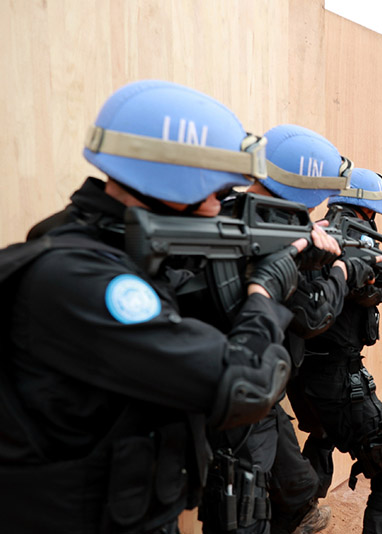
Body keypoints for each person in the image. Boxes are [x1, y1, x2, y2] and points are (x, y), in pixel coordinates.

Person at [0, 80, 303, 533]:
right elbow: (247, 384)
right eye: (218, 195)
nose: (220, 208)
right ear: (180, 186)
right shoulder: (84, 280)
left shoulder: (101, 250)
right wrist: (264, 293)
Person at [199, 124, 377, 534]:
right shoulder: (266, 235)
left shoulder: (237, 216)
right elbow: (311, 316)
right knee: (241, 508)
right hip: (236, 385)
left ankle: (297, 516)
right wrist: (341, 272)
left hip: (257, 384)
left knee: (297, 486)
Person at [288, 168, 382, 534]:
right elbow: (364, 285)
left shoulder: (315, 232)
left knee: (324, 434)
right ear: (372, 205)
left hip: (300, 373)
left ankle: (301, 512)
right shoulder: (364, 241)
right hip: (339, 374)